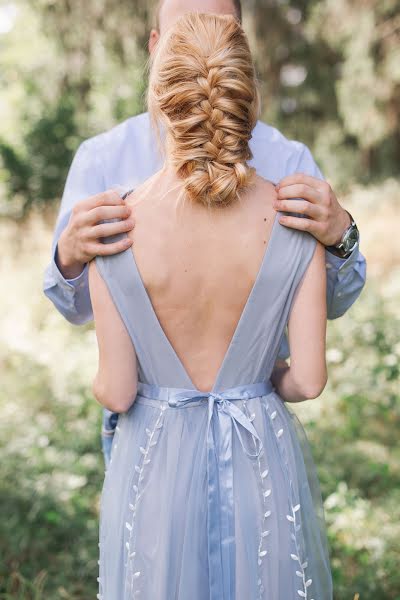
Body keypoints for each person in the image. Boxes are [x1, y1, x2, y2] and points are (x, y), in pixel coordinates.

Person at [42, 0, 366, 469]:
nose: (203, 47)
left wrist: (342, 236)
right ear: (155, 51)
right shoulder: (101, 160)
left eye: (219, 29)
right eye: (185, 34)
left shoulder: (292, 161)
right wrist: (68, 257)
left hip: (250, 437)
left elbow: (334, 302)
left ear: (240, 49)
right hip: (151, 436)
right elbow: (71, 308)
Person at [89, 11, 332, 599]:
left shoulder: (114, 223)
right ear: (248, 94)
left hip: (155, 468)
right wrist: (264, 376)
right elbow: (310, 379)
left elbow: (117, 390)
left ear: (160, 95)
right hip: (258, 464)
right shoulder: (296, 219)